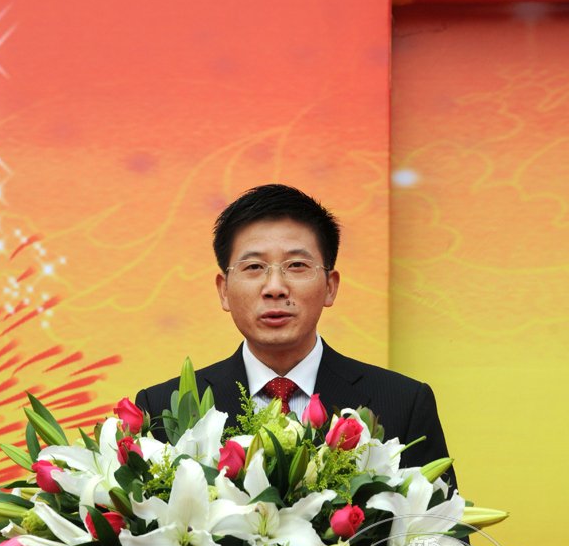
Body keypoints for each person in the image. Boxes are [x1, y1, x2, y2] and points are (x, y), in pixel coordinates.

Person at [136, 184, 456, 488]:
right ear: (224, 291)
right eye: (254, 267)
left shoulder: (403, 403)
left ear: (330, 286)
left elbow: (440, 528)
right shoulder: (164, 408)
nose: (275, 288)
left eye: (297, 265)